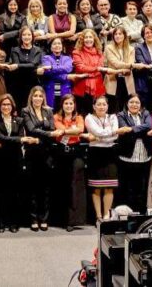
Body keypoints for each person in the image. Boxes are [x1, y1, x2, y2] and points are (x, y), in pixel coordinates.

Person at [0, 93, 29, 232]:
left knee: (14, 192)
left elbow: (8, 139)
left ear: (12, 106)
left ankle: (13, 222)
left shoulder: (19, 120)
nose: (6, 107)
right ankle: (0, 222)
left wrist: (15, 140)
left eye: (8, 104)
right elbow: (0, 137)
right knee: (0, 192)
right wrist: (19, 140)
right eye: (3, 104)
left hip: (15, 160)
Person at [22, 86, 57, 231]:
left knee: (45, 188)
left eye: (40, 96)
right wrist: (46, 128)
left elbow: (53, 128)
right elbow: (30, 129)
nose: (38, 98)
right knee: (32, 188)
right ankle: (33, 218)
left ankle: (44, 218)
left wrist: (40, 134)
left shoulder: (48, 111)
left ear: (44, 98)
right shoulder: (25, 111)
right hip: (32, 153)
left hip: (46, 153)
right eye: (35, 96)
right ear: (31, 97)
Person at [52, 94, 87, 230]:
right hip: (61, 152)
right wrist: (72, 131)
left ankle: (72, 220)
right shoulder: (56, 117)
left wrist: (66, 131)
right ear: (62, 105)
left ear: (74, 105)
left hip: (75, 152)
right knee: (62, 184)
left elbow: (80, 130)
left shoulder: (79, 117)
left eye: (71, 104)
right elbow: (59, 130)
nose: (68, 106)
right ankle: (60, 219)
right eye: (66, 103)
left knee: (74, 185)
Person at [116, 94, 152, 211]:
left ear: (140, 104)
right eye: (131, 102)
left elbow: (149, 126)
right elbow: (124, 129)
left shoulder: (146, 113)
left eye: (137, 102)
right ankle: (127, 213)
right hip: (127, 157)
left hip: (144, 157)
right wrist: (141, 130)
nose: (134, 105)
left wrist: (132, 129)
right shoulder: (121, 115)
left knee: (141, 188)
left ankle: (140, 212)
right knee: (127, 188)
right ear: (127, 103)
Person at [85, 94, 119, 221]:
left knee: (109, 186)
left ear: (108, 106)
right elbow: (99, 132)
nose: (101, 107)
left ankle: (106, 215)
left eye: (104, 104)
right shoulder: (89, 118)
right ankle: (98, 216)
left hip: (110, 152)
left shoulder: (113, 117)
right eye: (98, 104)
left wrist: (98, 138)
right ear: (94, 106)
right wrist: (110, 133)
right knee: (96, 188)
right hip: (95, 153)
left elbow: (115, 136)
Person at [71, 29, 107, 114]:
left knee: (97, 113)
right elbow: (80, 68)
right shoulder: (76, 52)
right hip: (82, 89)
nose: (88, 39)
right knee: (82, 114)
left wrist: (88, 73)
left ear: (94, 39)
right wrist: (96, 69)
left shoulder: (100, 53)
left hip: (98, 87)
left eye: (90, 37)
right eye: (86, 37)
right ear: (82, 40)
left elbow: (101, 66)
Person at [8, 25, 42, 107]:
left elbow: (34, 65)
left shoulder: (37, 50)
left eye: (29, 35)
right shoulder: (15, 50)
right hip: (18, 84)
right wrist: (33, 69)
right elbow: (19, 69)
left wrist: (18, 65)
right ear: (20, 37)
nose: (27, 37)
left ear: (32, 36)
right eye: (24, 35)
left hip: (33, 83)